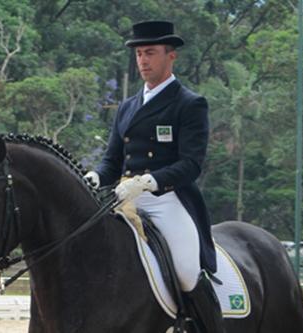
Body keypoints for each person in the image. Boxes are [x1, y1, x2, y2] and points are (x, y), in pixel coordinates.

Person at [85, 20, 223, 332]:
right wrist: (94, 177)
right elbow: (112, 161)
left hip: (168, 199)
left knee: (187, 271)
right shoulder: (127, 106)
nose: (143, 60)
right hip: (123, 199)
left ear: (170, 55)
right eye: (138, 55)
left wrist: (148, 181)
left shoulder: (189, 103)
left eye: (150, 53)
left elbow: (191, 164)